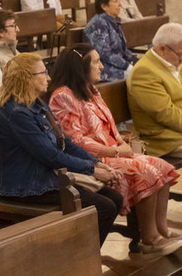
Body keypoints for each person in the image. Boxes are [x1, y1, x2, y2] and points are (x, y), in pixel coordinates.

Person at [49, 44, 180, 254]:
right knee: (146, 170)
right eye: (96, 62)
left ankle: (161, 228)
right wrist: (116, 151)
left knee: (162, 166)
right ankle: (150, 238)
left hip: (112, 151)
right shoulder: (63, 96)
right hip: (93, 159)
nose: (101, 66)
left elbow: (108, 124)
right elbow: (75, 141)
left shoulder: (90, 89)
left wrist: (120, 142)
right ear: (81, 66)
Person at [0, 52, 123, 244]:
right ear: (26, 78)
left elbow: (65, 143)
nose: (49, 77)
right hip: (28, 187)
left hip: (47, 180)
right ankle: (78, 261)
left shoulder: (37, 104)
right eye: (43, 73)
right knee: (104, 207)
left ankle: (81, 256)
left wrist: (97, 163)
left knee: (114, 198)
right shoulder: (17, 113)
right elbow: (50, 155)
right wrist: (92, 170)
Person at [127, 23, 182, 164]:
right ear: (163, 49)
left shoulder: (171, 62)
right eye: (180, 54)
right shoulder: (145, 72)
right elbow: (166, 114)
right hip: (164, 139)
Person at [84, 0, 138, 81]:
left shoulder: (113, 21)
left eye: (119, 0)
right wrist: (126, 66)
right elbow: (104, 53)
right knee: (137, 78)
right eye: (115, 1)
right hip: (102, 68)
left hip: (115, 65)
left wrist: (134, 62)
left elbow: (123, 50)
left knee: (145, 72)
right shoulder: (98, 23)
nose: (120, 4)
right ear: (104, 6)